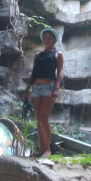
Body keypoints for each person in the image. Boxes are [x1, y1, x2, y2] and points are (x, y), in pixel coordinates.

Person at [23, 28, 64, 158]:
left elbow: (59, 73)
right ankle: (41, 150)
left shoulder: (58, 54)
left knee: (43, 118)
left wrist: (56, 89)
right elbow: (33, 73)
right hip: (36, 88)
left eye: (49, 38)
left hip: (49, 87)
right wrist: (27, 90)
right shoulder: (38, 55)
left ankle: (47, 149)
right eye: (45, 38)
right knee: (38, 119)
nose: (46, 40)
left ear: (54, 40)